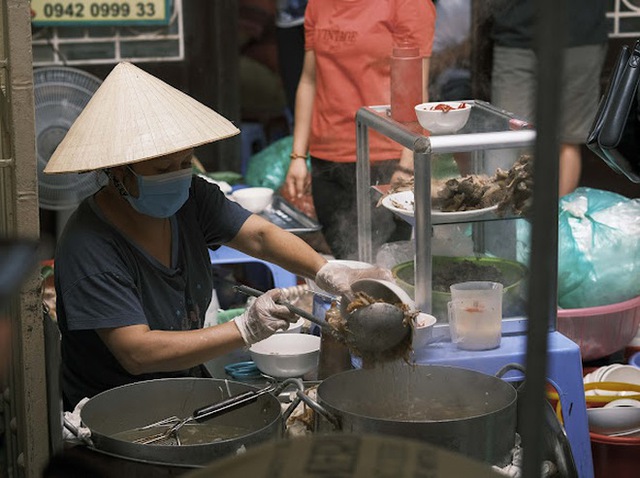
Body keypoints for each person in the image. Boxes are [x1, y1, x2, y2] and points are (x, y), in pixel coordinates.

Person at [45, 62, 391, 411]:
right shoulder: (88, 246)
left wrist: (325, 271)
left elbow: (259, 236)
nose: (179, 176)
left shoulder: (191, 198)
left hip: (186, 385)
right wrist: (246, 327)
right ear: (120, 172)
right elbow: (136, 352)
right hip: (116, 410)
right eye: (164, 169)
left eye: (184, 163)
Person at [284, 0, 436, 260]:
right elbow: (309, 79)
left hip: (384, 159)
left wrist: (407, 162)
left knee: (382, 267)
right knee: (348, 263)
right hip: (327, 161)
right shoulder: (317, 5)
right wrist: (298, 156)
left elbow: (416, 91)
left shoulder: (408, 4)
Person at [490, 0, 608, 197]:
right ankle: (516, 222)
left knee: (568, 138)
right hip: (515, 32)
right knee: (512, 137)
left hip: (579, 31)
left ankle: (557, 218)